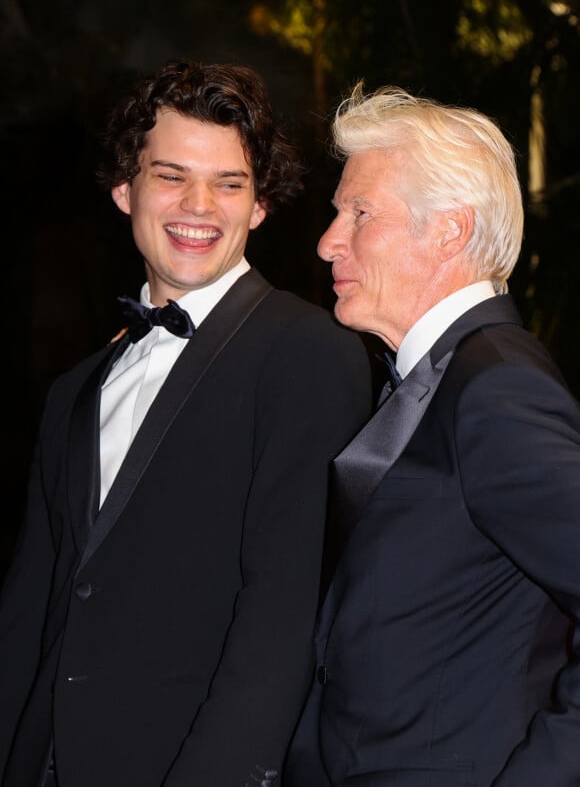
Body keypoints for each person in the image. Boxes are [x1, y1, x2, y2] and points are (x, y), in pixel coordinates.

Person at [0, 60, 373, 787]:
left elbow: (282, 617)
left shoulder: (308, 354)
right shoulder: (76, 390)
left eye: (229, 183)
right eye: (170, 175)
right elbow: (30, 609)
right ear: (124, 189)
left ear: (260, 205)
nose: (198, 206)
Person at [284, 83, 580, 787]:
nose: (328, 241)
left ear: (448, 229)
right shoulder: (447, 377)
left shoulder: (497, 392)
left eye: (360, 213)